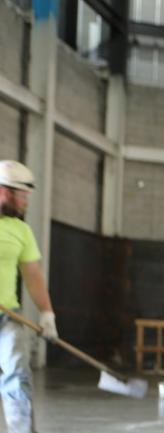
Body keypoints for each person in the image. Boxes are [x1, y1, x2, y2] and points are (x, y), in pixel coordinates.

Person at [0, 160, 57, 433]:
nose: (25, 202)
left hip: (6, 317)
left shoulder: (22, 231)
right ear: (4, 192)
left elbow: (33, 275)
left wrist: (47, 313)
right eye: (21, 195)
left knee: (17, 376)